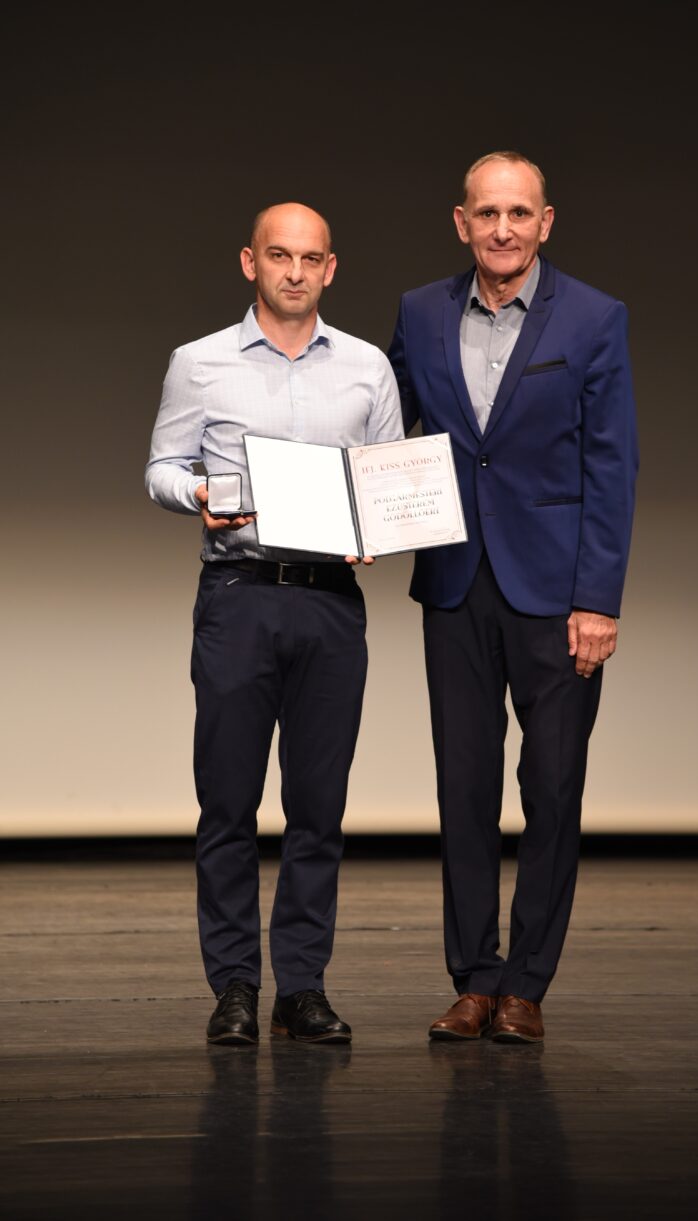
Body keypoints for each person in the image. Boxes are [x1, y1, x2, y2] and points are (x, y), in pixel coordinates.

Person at [388, 152, 638, 1043]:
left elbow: (611, 464)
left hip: (559, 594)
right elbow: (386, 428)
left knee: (553, 788)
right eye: (487, 213)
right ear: (462, 222)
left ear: (545, 221)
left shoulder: (595, 317)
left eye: (519, 213)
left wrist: (598, 598)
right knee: (463, 786)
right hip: (455, 581)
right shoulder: (420, 311)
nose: (503, 229)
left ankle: (526, 984)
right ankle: (474, 978)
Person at [146, 202, 403, 1045]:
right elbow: (161, 467)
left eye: (311, 258)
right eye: (280, 255)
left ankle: (302, 987)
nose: (295, 271)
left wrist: (378, 525)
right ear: (249, 262)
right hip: (240, 593)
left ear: (331, 268)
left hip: (330, 601)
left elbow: (386, 479)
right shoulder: (200, 363)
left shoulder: (366, 368)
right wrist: (198, 492)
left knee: (318, 806)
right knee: (227, 802)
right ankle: (233, 987)